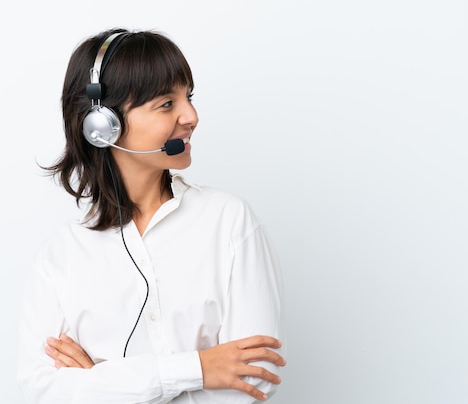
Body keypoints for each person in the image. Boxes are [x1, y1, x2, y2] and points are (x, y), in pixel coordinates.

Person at [17, 28, 286, 403]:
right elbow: (45, 392)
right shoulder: (60, 258)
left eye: (188, 97)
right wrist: (199, 368)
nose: (191, 116)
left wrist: (101, 382)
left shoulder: (229, 221)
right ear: (102, 126)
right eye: (166, 103)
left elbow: (255, 379)